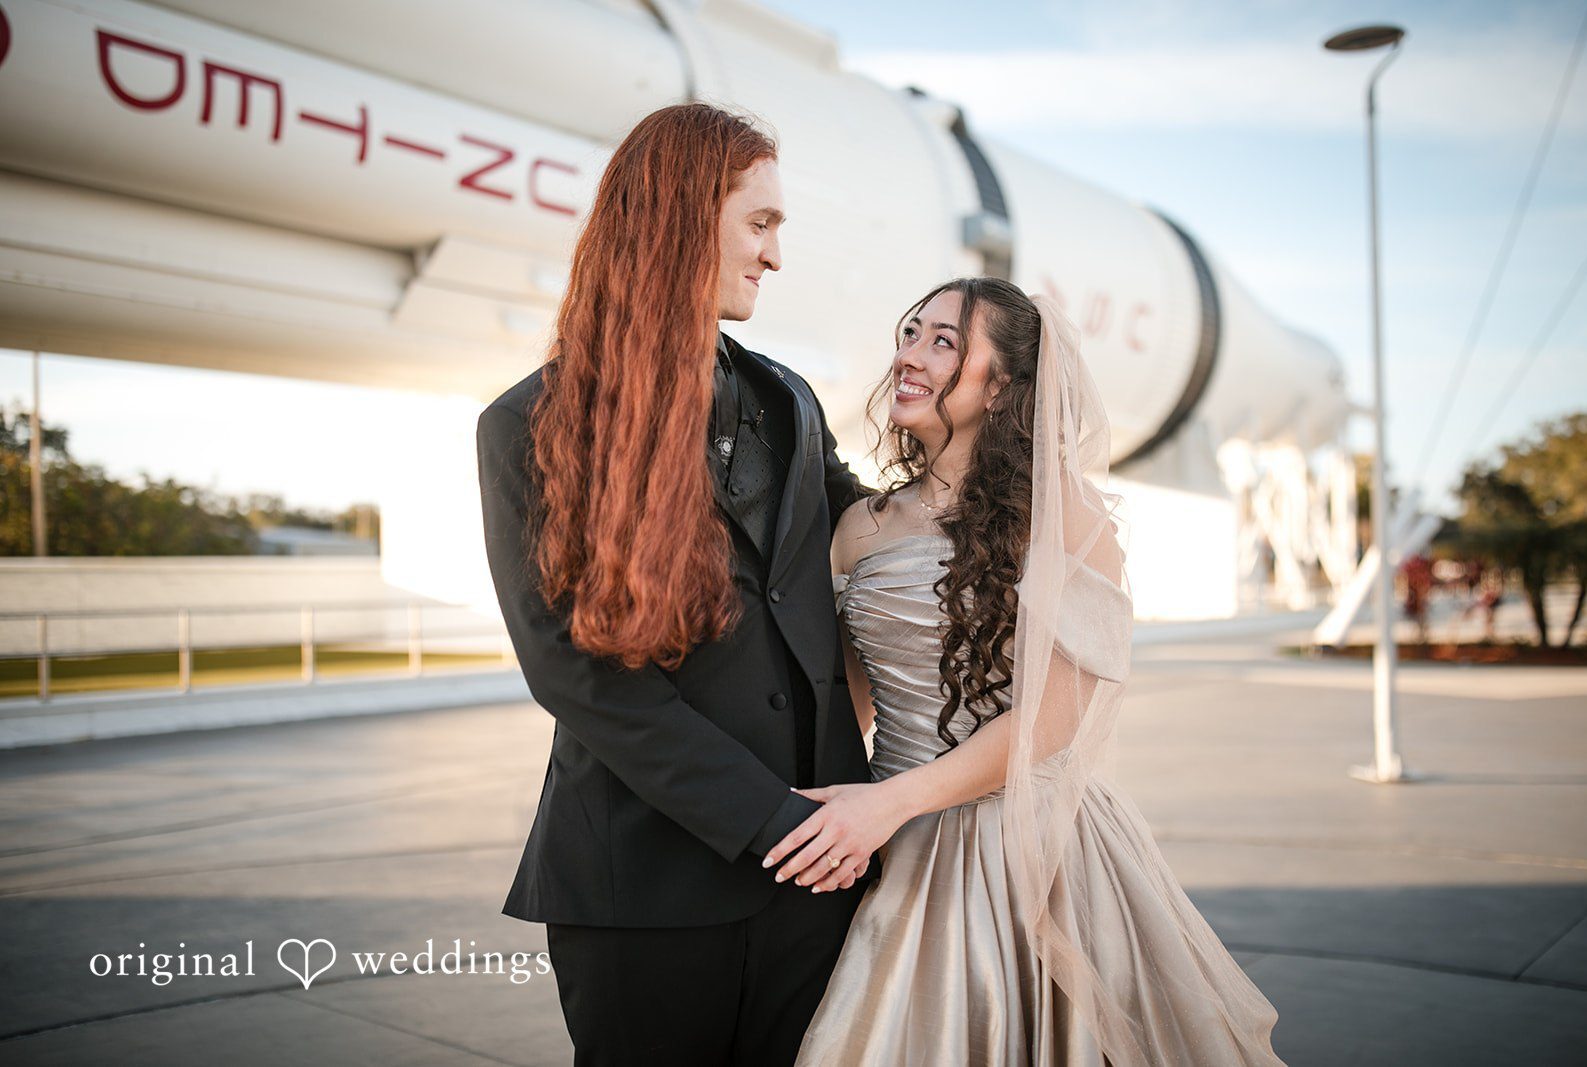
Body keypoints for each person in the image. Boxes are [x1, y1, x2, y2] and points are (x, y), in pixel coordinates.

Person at [759, 277, 1286, 1065]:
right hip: (889, 837)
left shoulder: (1064, 515)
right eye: (911, 333)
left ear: (1001, 386)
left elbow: (1054, 715)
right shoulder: (859, 527)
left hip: (1025, 846)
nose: (909, 356)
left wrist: (889, 804)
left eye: (944, 342)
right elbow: (847, 701)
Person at [475, 103, 878, 1066]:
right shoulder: (528, 424)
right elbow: (576, 677)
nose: (774, 255)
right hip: (641, 887)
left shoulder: (789, 400)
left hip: (820, 876)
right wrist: (776, 820)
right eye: (759, 223)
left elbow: (875, 532)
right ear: (682, 217)